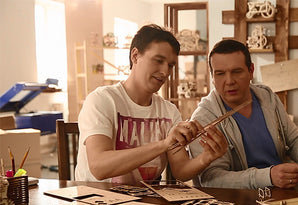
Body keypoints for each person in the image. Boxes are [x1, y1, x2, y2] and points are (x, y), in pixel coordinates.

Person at [75, 24, 227, 185]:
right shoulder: (102, 99)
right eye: (158, 60)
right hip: (95, 202)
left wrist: (207, 157)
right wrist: (163, 144)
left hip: (145, 204)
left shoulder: (169, 111)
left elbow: (180, 171)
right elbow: (99, 167)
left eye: (170, 65)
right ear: (135, 56)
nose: (165, 72)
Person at [189, 39, 298, 189]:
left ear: (251, 71)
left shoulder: (266, 96)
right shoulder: (204, 118)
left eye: (236, 71)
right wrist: (268, 177)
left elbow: (293, 138)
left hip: (283, 190)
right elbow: (211, 179)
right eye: (220, 74)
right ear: (212, 78)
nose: (229, 81)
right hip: (240, 202)